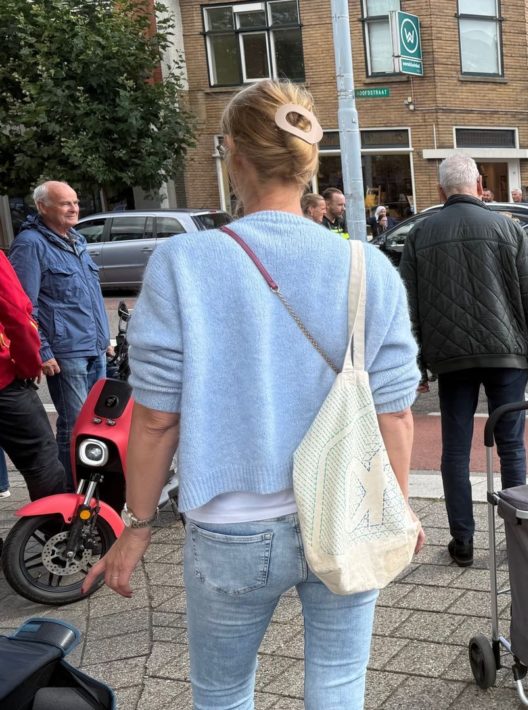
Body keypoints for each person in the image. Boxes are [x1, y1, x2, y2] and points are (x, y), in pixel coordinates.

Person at [82, 79, 423, 709]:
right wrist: (396, 507)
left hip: (230, 524)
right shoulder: (366, 266)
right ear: (306, 160)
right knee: (341, 682)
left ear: (233, 154)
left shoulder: (183, 263)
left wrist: (137, 524)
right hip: (346, 510)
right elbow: (395, 412)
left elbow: (156, 420)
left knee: (222, 692)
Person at [399, 155, 528, 568]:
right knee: (512, 446)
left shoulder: (420, 233)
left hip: (452, 359)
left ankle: (462, 540)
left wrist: (418, 366)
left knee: (455, 449)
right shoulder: (507, 228)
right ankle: (518, 536)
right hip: (507, 354)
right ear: (480, 184)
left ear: (440, 191)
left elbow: (409, 306)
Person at [8, 181, 111, 489]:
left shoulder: (76, 239)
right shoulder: (31, 244)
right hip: (66, 354)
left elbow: (88, 296)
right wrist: (43, 351)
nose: (74, 208)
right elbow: (24, 304)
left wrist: (103, 340)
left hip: (93, 348)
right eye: (65, 203)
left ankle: (95, 490)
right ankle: (70, 494)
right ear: (43, 207)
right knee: (74, 426)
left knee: (97, 427)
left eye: (76, 202)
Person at [0, 250, 67, 501]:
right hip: (4, 383)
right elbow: (17, 313)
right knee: (41, 460)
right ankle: (56, 531)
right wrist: (28, 366)